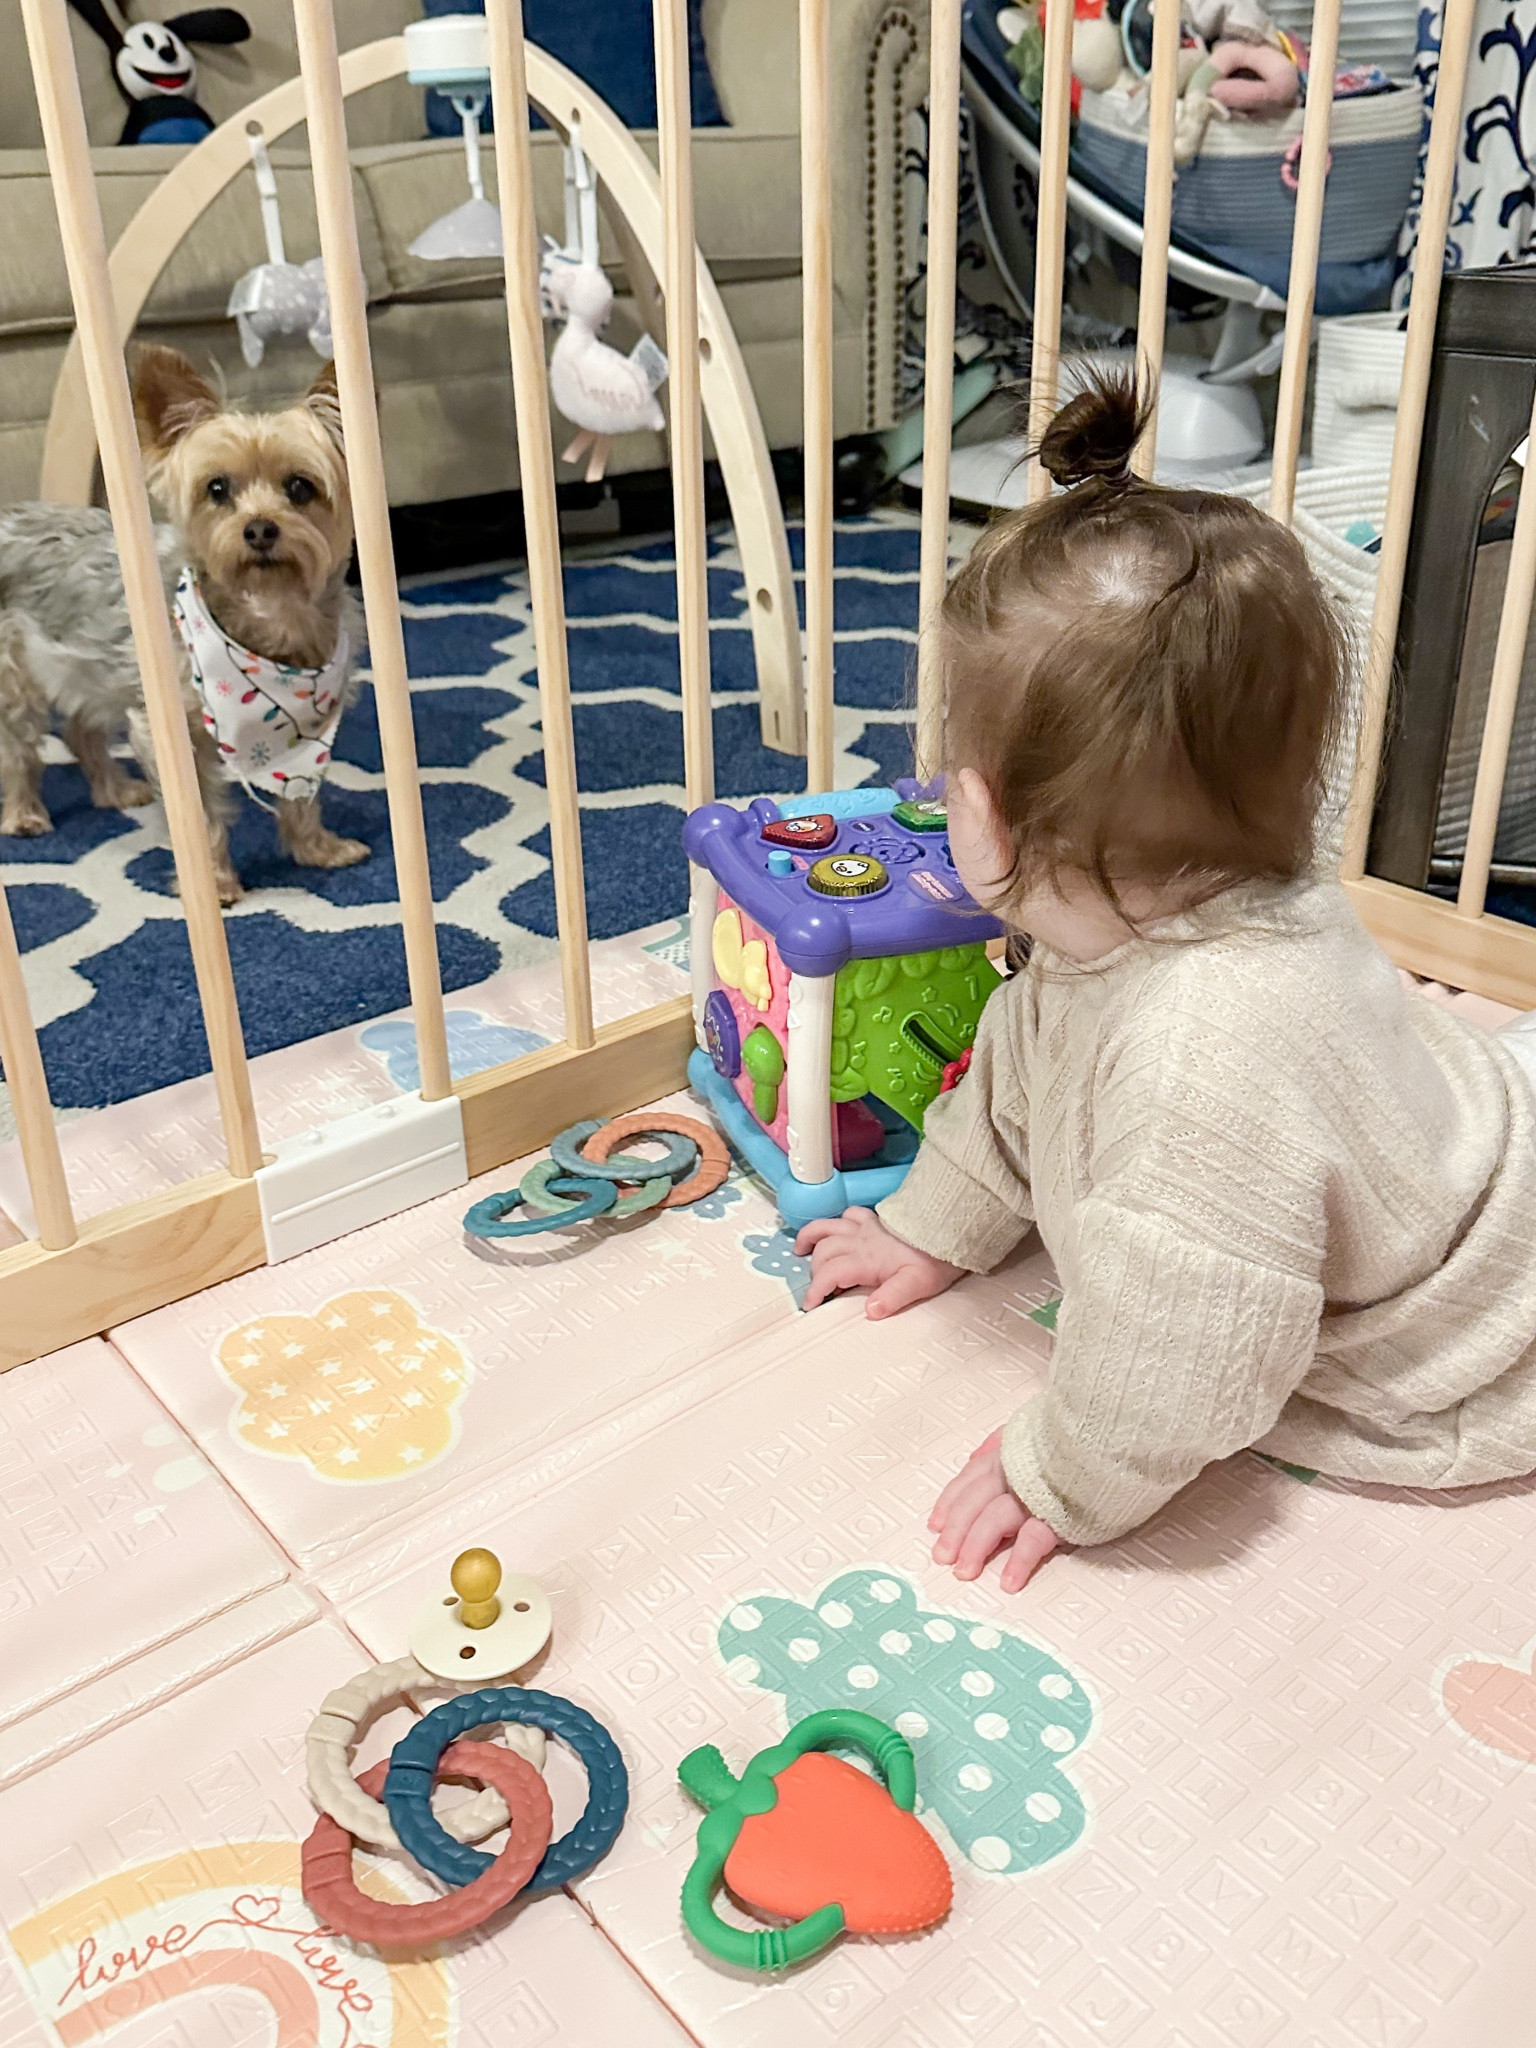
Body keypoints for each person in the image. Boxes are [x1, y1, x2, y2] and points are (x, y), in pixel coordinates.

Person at [797, 366, 1536, 1595]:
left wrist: (1064, 1471)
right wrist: (934, 1232)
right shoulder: (1100, 940)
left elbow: (1186, 1351)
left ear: (987, 807)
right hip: (1450, 1125)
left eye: (950, 756)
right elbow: (1012, 1095)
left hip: (1479, 1294)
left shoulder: (1204, 1060)